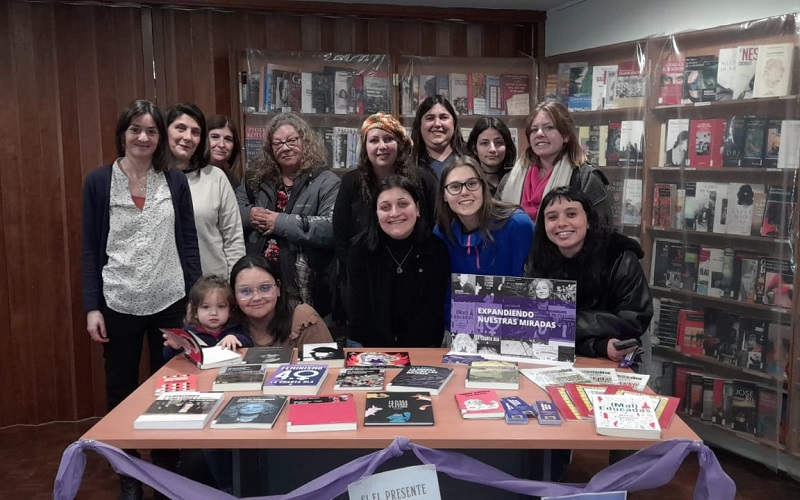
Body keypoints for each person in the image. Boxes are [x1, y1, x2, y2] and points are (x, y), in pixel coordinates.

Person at [82, 99, 201, 500]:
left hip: (170, 299)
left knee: (173, 387)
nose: (144, 137)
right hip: (118, 301)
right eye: (136, 129)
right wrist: (91, 306)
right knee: (121, 390)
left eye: (151, 130)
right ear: (122, 133)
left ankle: (168, 473)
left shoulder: (174, 181)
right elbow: (90, 249)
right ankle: (128, 473)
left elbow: (188, 242)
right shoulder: (99, 182)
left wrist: (194, 299)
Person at [524, 186, 652, 361]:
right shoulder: (536, 259)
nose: (561, 223)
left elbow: (633, 320)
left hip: (612, 356)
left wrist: (565, 320)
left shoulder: (619, 255)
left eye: (571, 214)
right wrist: (596, 344)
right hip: (558, 354)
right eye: (552, 217)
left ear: (589, 220)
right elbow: (535, 325)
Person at [236, 112, 341, 317]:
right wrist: (250, 214)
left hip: (307, 281)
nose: (285, 147)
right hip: (260, 279)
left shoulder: (326, 181)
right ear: (270, 149)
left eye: (292, 140)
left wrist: (279, 222)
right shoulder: (256, 178)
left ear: (305, 142)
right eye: (277, 143)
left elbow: (330, 228)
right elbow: (231, 212)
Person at [333, 112, 437, 309]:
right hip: (364, 283)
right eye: (374, 140)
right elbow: (340, 238)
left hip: (416, 278)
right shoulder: (351, 182)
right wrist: (356, 277)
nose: (381, 146)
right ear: (365, 147)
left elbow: (434, 227)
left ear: (400, 144)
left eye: (388, 139)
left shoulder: (422, 180)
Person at [346, 176, 450, 347]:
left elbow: (431, 314)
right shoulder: (360, 250)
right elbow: (359, 314)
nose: (394, 213)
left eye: (403, 204)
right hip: (369, 347)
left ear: (417, 209)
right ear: (376, 214)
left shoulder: (436, 249)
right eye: (385, 207)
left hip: (422, 347)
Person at [497, 101, 611, 224]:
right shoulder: (510, 179)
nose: (539, 134)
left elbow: (602, 229)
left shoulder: (587, 179)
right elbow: (494, 223)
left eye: (549, 127)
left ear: (566, 135)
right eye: (534, 130)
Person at [166, 103, 245, 278]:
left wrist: (235, 283)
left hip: (212, 287)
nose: (188, 137)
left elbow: (234, 239)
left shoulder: (216, 177)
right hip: (165, 290)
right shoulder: (152, 178)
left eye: (195, 132)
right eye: (180, 128)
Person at [434, 156, 534, 277]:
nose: (464, 192)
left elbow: (529, 285)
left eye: (472, 183)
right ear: (444, 195)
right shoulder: (442, 232)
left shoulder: (517, 224)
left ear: (483, 187)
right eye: (455, 186)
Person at [230, 254, 333, 348]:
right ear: (234, 295)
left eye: (265, 288)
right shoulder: (224, 321)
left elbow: (328, 366)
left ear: (278, 288)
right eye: (245, 291)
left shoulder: (305, 320)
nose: (256, 297)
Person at [162, 275, 253, 360]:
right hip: (199, 374)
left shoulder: (235, 328)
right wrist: (174, 347)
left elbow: (251, 344)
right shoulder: (188, 333)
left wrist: (235, 338)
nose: (214, 313)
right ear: (195, 312)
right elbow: (167, 357)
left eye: (221, 306)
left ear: (229, 311)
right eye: (205, 307)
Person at [410, 95, 468, 179]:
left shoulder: (470, 156)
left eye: (443, 117)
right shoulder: (407, 161)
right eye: (430, 118)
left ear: (454, 123)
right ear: (419, 124)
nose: (437, 124)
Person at [466, 116, 517, 196]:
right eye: (485, 143)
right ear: (474, 148)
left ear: (507, 146)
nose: (492, 149)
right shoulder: (467, 180)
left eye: (499, 143)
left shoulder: (516, 177)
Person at [207, 114, 243, 189]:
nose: (221, 145)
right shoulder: (189, 175)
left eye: (228, 139)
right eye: (215, 137)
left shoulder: (233, 182)